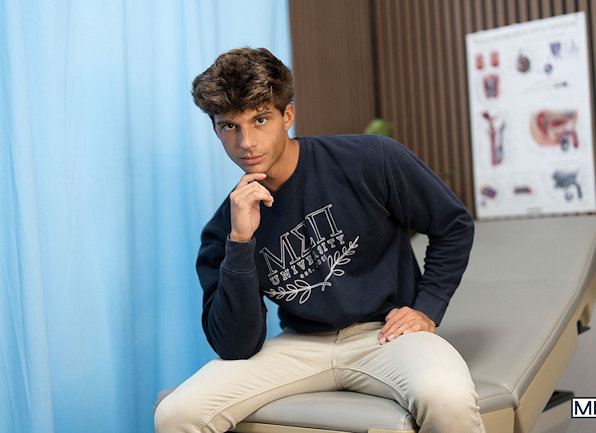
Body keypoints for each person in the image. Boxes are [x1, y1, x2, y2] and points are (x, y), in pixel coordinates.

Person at [154, 47, 485, 433]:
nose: (246, 142)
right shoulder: (224, 229)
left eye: (260, 119)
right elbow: (236, 346)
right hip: (300, 346)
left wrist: (428, 307)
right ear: (216, 130)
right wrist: (241, 241)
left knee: (447, 398)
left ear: (287, 116)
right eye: (230, 126)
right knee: (176, 414)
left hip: (387, 335)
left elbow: (453, 224)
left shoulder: (369, 159)